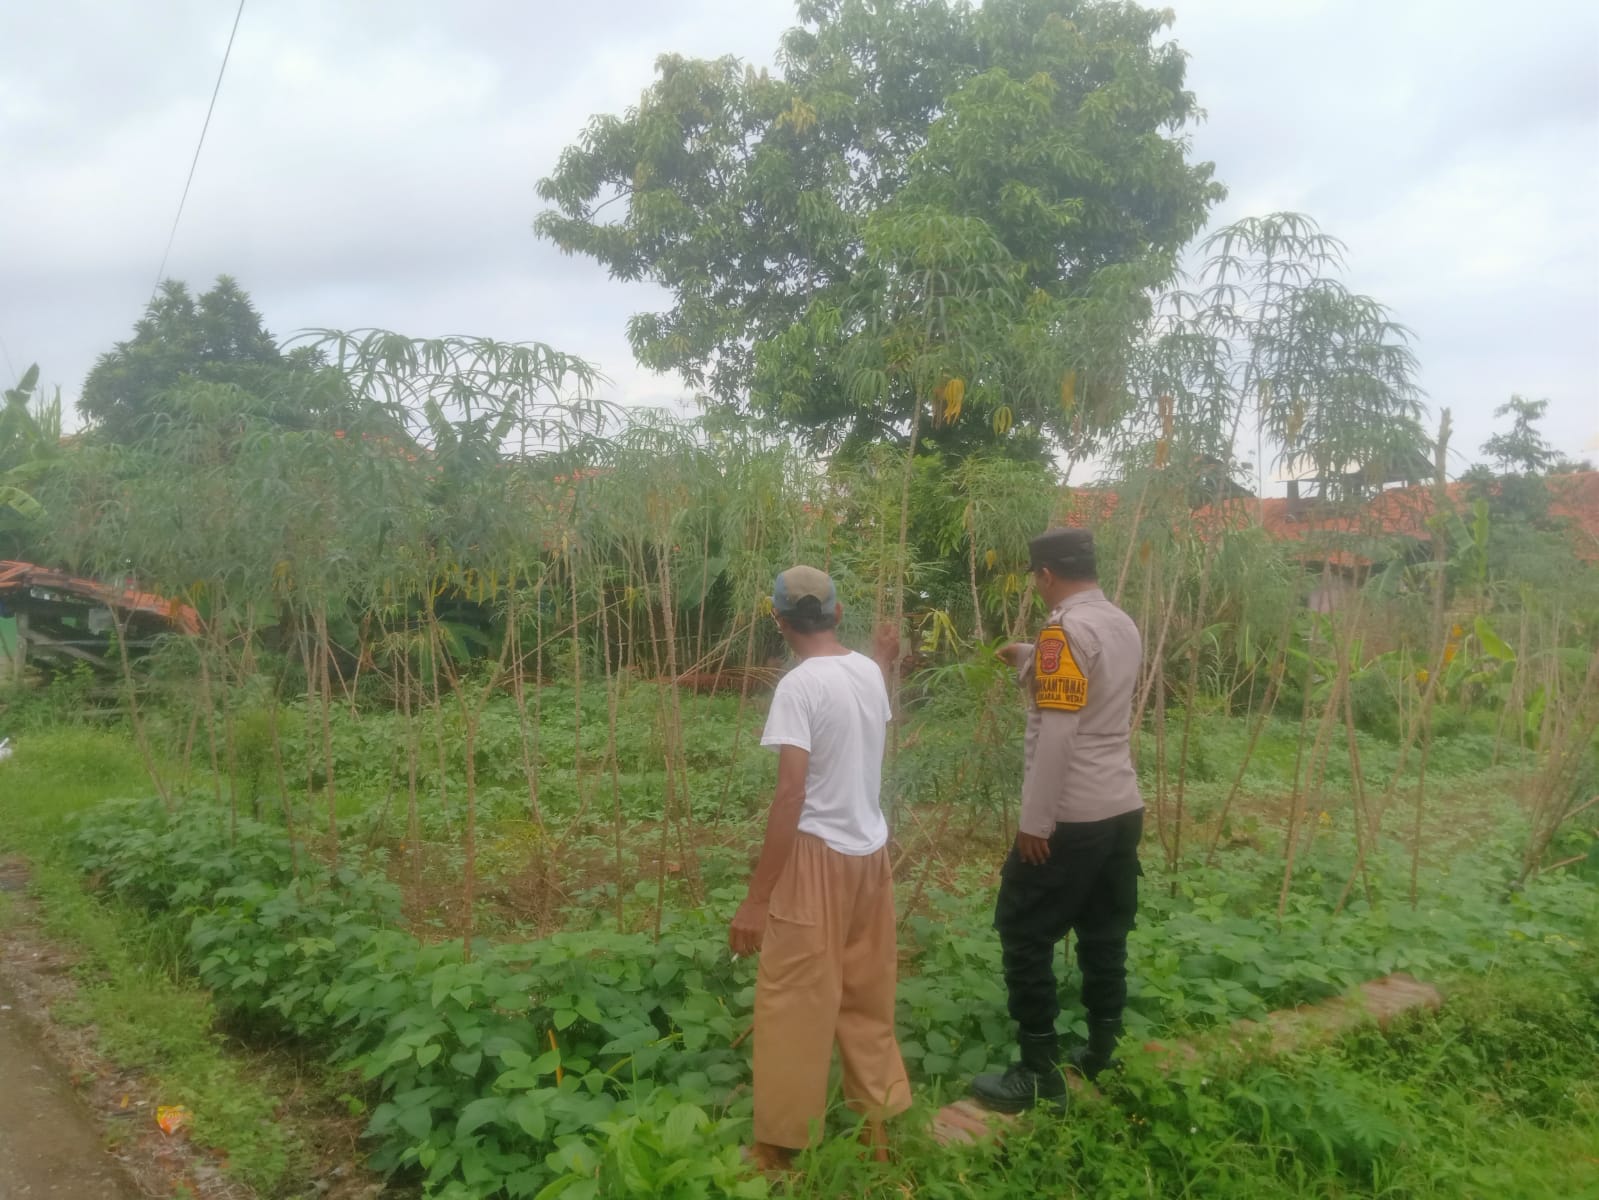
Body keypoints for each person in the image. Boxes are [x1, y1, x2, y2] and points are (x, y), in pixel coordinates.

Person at [729, 565, 911, 1171]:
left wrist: (758, 899)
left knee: (793, 1002)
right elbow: (861, 704)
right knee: (866, 996)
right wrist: (883, 658)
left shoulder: (798, 687)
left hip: (816, 860)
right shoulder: (866, 672)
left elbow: (791, 794)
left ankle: (776, 1153)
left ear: (779, 622)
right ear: (836, 614)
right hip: (870, 856)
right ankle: (877, 1136)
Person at [970, 527, 1145, 1113]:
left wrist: (1036, 822)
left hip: (1070, 814)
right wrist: (1027, 655)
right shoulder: (1120, 623)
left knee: (1023, 930)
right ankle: (1103, 1050)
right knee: (1104, 931)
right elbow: (1091, 685)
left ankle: (1037, 1069)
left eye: (1035, 578)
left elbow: (1061, 729)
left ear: (1046, 575)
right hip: (1120, 806)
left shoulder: (1063, 631)